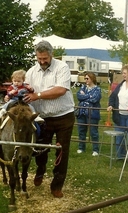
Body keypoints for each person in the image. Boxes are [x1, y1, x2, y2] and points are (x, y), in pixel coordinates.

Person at [23, 40, 75, 198]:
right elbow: (26, 90)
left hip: (63, 117)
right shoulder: (31, 72)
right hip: (41, 119)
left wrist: (37, 95)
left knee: (61, 151)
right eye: (39, 58)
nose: (42, 61)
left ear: (51, 55)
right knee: (39, 149)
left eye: (45, 58)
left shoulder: (62, 68)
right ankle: (40, 170)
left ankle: (57, 185)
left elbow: (60, 90)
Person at [76, 72, 101, 156]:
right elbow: (78, 96)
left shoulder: (97, 89)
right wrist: (89, 96)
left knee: (93, 132)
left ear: (92, 78)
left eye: (87, 78)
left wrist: (85, 96)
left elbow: (95, 99)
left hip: (92, 113)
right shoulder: (83, 87)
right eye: (85, 78)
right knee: (81, 131)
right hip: (81, 112)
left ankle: (95, 150)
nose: (85, 80)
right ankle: (81, 147)